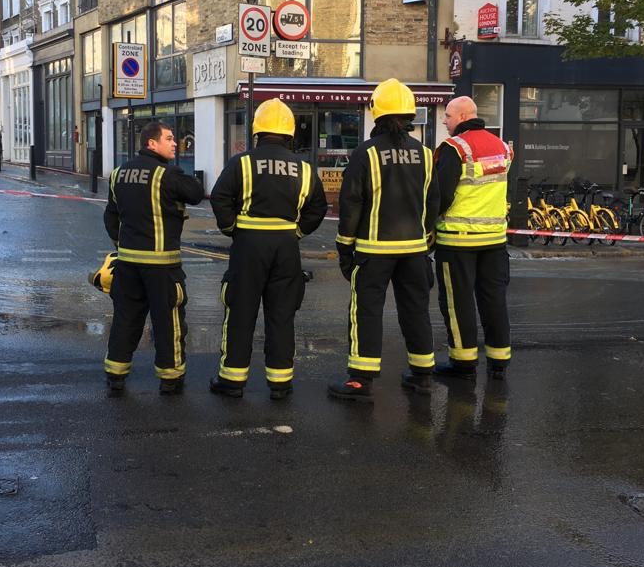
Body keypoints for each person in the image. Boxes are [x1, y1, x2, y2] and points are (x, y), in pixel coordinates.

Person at [328, 79, 440, 402]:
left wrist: (344, 249)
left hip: (373, 251)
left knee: (366, 313)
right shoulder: (426, 155)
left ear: (375, 114)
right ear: (408, 114)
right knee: (416, 310)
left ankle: (361, 381)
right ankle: (423, 375)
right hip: (415, 251)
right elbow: (434, 202)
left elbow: (351, 205)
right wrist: (426, 240)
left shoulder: (365, 154)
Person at [209, 98, 329, 400]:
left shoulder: (242, 163)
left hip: (249, 246)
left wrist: (232, 229)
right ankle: (280, 384)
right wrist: (297, 231)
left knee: (240, 312)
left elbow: (220, 197)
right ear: (290, 134)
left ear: (257, 133)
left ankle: (233, 382)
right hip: (286, 247)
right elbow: (317, 208)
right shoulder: (304, 168)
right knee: (281, 315)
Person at [103, 120, 204, 395]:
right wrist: (178, 172)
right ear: (152, 143)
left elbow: (111, 217)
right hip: (162, 266)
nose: (175, 143)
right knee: (167, 321)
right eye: (169, 139)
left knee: (125, 318)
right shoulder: (166, 175)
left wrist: (122, 244)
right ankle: (170, 378)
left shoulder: (117, 174)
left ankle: (115, 373)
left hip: (128, 263)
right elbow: (195, 193)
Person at [432, 96, 514, 382]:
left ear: (464, 116)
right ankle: (499, 360)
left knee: (458, 302)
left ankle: (463, 363)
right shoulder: (502, 147)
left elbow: (441, 194)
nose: (445, 121)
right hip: (494, 239)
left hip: (458, 241)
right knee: (494, 300)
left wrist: (429, 225)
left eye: (449, 116)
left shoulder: (456, 148)